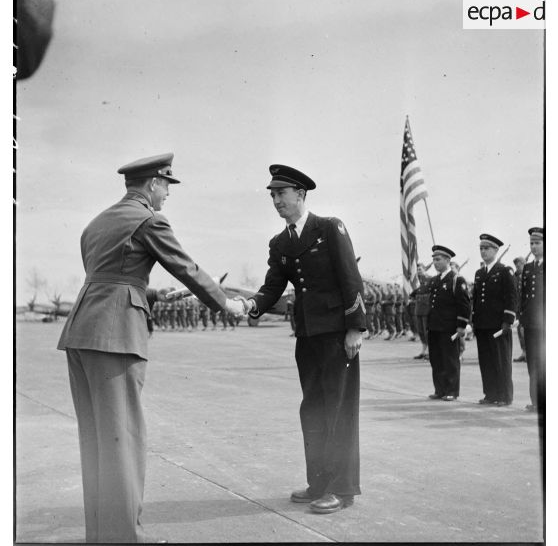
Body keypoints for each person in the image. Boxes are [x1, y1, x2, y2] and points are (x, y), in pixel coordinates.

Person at [57, 153, 244, 543]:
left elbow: (110, 275)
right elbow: (186, 267)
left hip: (81, 333)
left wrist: (151, 293)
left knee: (95, 440)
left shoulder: (96, 223)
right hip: (115, 337)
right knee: (123, 440)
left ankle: (102, 535)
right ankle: (125, 537)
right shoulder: (149, 219)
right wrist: (226, 304)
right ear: (153, 184)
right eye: (166, 187)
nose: (167, 196)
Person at [238, 164, 365, 514]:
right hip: (307, 335)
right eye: (273, 195)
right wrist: (249, 304)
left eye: (282, 193)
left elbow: (350, 278)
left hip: (338, 336)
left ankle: (342, 489)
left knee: (339, 410)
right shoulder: (280, 242)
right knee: (313, 409)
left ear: (301, 194)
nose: (276, 200)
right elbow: (272, 287)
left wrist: (355, 327)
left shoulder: (329, 228)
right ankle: (319, 483)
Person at [472, 234, 517, 407]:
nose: (483, 251)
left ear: (496, 250)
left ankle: (504, 396)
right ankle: (490, 393)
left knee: (501, 360)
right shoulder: (479, 272)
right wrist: (474, 320)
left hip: (498, 324)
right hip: (483, 324)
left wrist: (508, 321)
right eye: (481, 248)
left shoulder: (505, 271)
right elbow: (476, 299)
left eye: (487, 248)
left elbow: (512, 297)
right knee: (486, 361)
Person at [426, 245, 470, 401]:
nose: (435, 263)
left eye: (438, 260)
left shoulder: (456, 279)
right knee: (436, 359)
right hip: (435, 326)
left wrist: (461, 326)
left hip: (449, 327)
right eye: (434, 260)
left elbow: (464, 305)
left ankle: (451, 390)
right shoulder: (435, 280)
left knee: (450, 359)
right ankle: (440, 389)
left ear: (447, 260)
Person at [519, 228, 545, 414]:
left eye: (537, 243)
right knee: (533, 363)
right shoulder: (528, 268)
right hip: (530, 322)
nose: (534, 247)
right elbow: (524, 296)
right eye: (531, 243)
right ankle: (535, 401)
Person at [410, 262, 431, 359]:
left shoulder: (430, 279)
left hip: (426, 308)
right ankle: (423, 350)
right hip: (418, 308)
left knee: (427, 331)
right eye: (417, 269)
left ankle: (430, 351)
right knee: (421, 331)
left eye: (420, 269)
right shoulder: (416, 281)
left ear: (425, 269)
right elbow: (413, 294)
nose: (418, 271)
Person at [513, 256, 527, 362]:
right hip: (518, 309)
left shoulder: (529, 275)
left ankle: (529, 353)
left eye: (520, 264)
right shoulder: (515, 277)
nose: (518, 266)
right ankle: (524, 352)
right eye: (516, 265)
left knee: (526, 331)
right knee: (520, 331)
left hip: (527, 308)